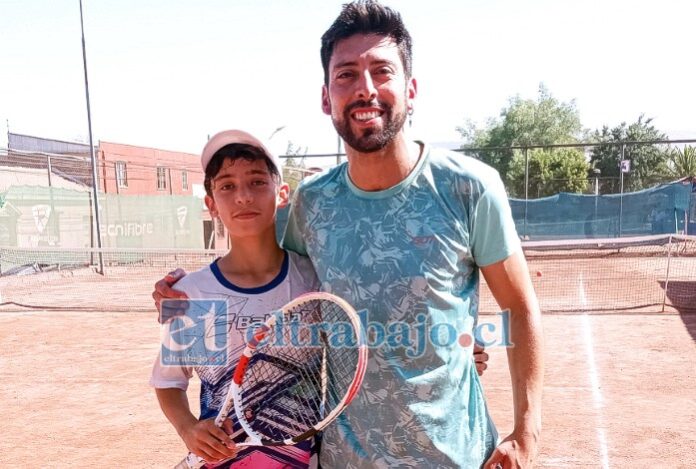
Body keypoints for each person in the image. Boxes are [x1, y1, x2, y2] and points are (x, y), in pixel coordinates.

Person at [155, 1, 543, 467]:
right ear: (326, 98)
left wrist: (525, 430)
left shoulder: (470, 188)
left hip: (456, 457)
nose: (365, 89)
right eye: (346, 75)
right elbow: (264, 270)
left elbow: (518, 307)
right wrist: (180, 295)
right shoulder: (310, 204)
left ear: (411, 89)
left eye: (382, 71)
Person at [150, 130, 321, 468]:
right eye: (227, 186)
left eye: (258, 182)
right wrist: (187, 428)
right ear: (210, 203)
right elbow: (168, 381)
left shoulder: (312, 280)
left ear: (281, 193)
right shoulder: (192, 293)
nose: (243, 196)